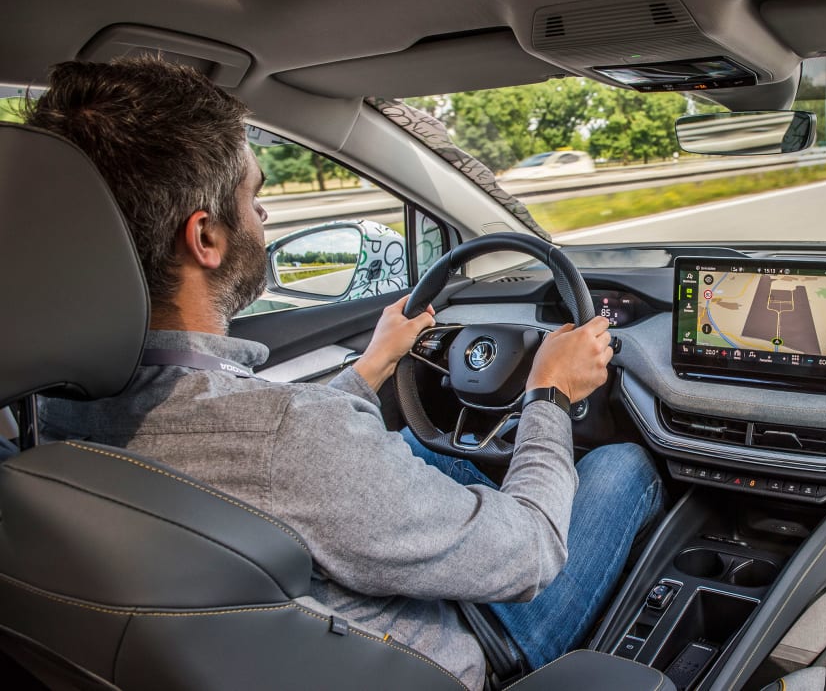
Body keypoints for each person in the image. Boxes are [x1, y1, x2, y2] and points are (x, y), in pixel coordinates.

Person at [30, 57, 662, 690]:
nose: (264, 218)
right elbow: (530, 553)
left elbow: (267, 459)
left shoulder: (41, 411)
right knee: (621, 469)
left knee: (417, 446)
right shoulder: (291, 440)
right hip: (458, 649)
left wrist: (372, 367)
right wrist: (550, 394)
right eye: (253, 197)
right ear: (206, 238)